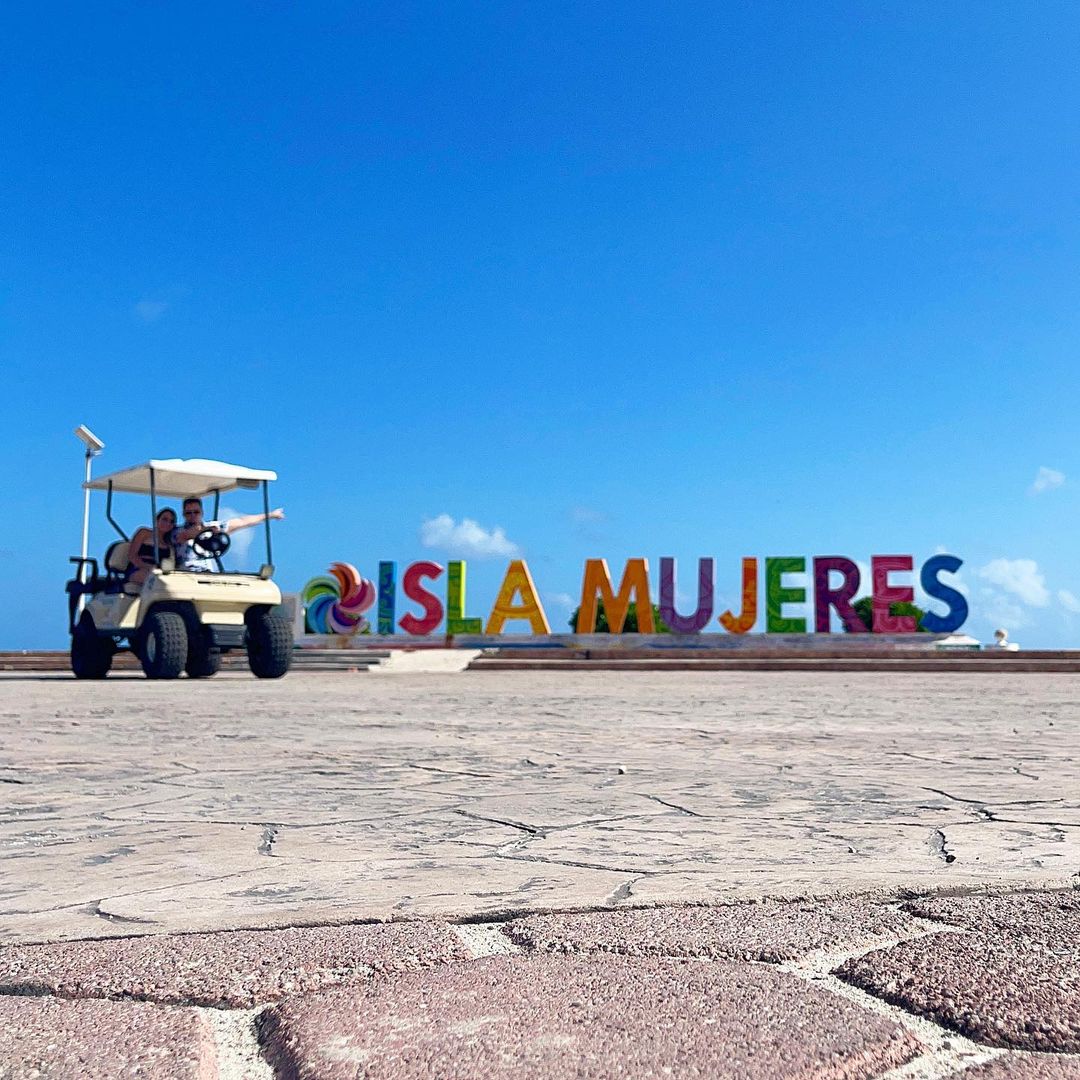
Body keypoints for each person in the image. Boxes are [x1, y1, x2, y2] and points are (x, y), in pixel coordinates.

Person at [171, 497, 285, 572]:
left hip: (207, 574)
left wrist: (271, 515)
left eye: (196, 512)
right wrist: (208, 530)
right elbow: (187, 535)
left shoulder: (213, 527)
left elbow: (242, 522)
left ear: (202, 512)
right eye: (188, 513)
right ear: (183, 514)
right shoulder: (177, 531)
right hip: (185, 576)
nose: (192, 515)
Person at [127, 508, 178, 587]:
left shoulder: (169, 544)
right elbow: (132, 556)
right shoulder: (144, 533)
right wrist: (149, 567)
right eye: (165, 519)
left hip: (159, 572)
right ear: (157, 520)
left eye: (171, 521)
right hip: (138, 569)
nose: (168, 523)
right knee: (156, 580)